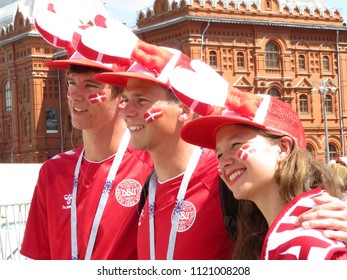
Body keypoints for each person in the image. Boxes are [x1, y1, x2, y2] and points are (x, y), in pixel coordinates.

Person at [176, 86, 347, 259]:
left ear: (282, 148)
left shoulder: (309, 240)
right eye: (219, 154)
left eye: (235, 145)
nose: (223, 163)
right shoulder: (267, 233)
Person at [93, 51, 234, 260]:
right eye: (126, 99)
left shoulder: (225, 178)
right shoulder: (148, 190)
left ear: (184, 109)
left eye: (141, 100)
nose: (127, 111)